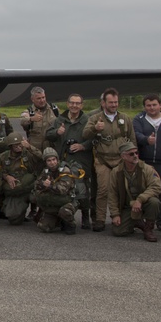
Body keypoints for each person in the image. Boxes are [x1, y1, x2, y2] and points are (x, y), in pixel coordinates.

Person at [83, 88, 134, 232]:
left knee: (122, 190)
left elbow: (132, 139)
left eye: (116, 102)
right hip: (102, 160)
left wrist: (134, 158)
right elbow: (85, 134)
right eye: (111, 102)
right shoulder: (95, 118)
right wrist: (95, 129)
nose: (114, 105)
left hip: (121, 160)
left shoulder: (125, 118)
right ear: (104, 103)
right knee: (103, 190)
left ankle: (119, 218)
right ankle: (99, 219)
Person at [46, 94, 94, 229]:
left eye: (77, 103)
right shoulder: (60, 119)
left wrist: (82, 146)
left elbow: (94, 139)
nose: (74, 106)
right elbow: (48, 134)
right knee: (63, 188)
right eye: (72, 103)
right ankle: (65, 217)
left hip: (81, 160)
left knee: (82, 189)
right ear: (67, 104)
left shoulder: (87, 120)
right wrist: (57, 132)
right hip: (63, 160)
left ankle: (85, 216)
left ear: (82, 105)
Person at [133, 95, 161, 232]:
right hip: (145, 161)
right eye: (148, 105)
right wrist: (146, 140)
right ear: (145, 107)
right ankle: (143, 220)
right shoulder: (139, 119)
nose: (151, 108)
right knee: (142, 191)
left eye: (154, 105)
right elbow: (135, 134)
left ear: (160, 105)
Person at [109, 141, 161, 242]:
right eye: (131, 154)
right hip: (128, 206)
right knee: (118, 232)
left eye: (136, 153)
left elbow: (156, 186)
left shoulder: (147, 169)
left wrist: (140, 199)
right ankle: (137, 222)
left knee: (154, 202)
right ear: (123, 156)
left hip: (144, 203)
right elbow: (112, 195)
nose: (135, 156)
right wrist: (115, 215)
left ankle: (148, 229)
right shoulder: (116, 172)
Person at [0, 132, 42, 226]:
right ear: (10, 146)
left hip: (29, 186)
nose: (18, 147)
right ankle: (18, 207)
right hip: (16, 190)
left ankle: (39, 212)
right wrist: (7, 177)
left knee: (41, 197)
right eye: (15, 145)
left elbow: (41, 157)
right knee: (14, 220)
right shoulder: (4, 157)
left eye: (19, 144)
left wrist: (29, 147)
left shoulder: (28, 154)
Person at [31, 148, 78, 235]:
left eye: (54, 159)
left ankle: (70, 224)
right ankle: (57, 220)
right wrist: (43, 183)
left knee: (65, 212)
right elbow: (36, 184)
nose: (52, 162)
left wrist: (50, 185)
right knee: (43, 227)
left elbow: (63, 189)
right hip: (54, 200)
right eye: (49, 160)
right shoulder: (46, 171)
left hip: (67, 200)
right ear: (45, 162)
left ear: (57, 159)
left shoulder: (65, 170)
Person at [20, 86, 60, 152]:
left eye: (43, 97)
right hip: (35, 150)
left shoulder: (54, 110)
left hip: (52, 149)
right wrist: (31, 119)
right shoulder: (29, 112)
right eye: (38, 98)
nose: (42, 100)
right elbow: (22, 121)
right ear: (32, 99)